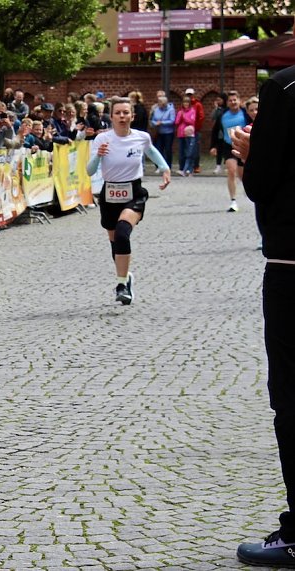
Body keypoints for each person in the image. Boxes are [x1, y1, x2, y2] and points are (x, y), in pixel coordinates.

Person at [231, 64, 295, 569]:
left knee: (294, 402)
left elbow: (264, 182)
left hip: (294, 266)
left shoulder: (286, 87)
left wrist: (252, 157)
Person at [86, 97, 171, 305]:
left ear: (132, 116)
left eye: (126, 113)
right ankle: (127, 277)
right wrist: (98, 156)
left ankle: (121, 284)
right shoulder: (102, 140)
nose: (122, 116)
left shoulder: (141, 137)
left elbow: (150, 150)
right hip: (110, 193)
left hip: (133, 191)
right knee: (115, 242)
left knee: (123, 232)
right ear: (111, 116)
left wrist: (165, 168)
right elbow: (89, 171)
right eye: (118, 113)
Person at [209, 90, 249, 213]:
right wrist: (213, 146)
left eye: (234, 100)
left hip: (243, 146)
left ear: (239, 101)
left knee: (243, 176)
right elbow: (215, 131)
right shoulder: (223, 115)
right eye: (230, 100)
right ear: (227, 103)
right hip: (228, 146)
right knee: (231, 171)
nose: (233, 102)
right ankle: (233, 201)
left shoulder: (245, 114)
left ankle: (249, 190)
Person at [150, 95, 175, 169]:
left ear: (164, 104)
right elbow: (153, 120)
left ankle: (168, 166)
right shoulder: (156, 109)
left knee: (168, 150)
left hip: (168, 133)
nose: (158, 105)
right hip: (159, 132)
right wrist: (155, 123)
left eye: (160, 103)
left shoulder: (171, 110)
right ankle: (159, 166)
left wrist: (162, 123)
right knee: (158, 149)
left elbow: (172, 120)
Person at [175, 96, 197, 176]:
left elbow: (192, 121)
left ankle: (189, 169)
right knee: (181, 152)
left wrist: (184, 118)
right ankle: (181, 168)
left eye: (187, 102)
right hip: (181, 133)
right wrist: (180, 117)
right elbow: (176, 122)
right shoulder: (180, 112)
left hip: (189, 133)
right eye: (184, 102)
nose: (186, 104)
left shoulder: (192, 111)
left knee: (189, 151)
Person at [185, 87, 204, 173]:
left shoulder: (197, 104)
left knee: (195, 148)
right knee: (187, 148)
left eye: (190, 94)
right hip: (186, 131)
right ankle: (188, 166)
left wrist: (196, 128)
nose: (189, 96)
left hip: (195, 130)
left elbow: (201, 117)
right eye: (188, 95)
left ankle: (196, 166)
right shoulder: (185, 104)